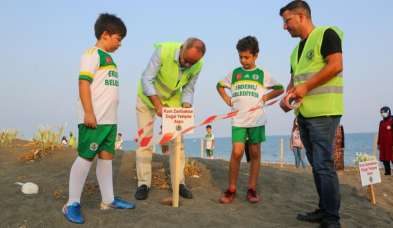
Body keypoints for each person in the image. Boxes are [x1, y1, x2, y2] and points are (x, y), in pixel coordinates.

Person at [62, 13, 134, 224]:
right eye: (118, 38)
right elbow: (83, 83)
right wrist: (88, 112)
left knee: (106, 158)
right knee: (86, 157)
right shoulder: (92, 54)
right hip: (95, 118)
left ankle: (108, 200)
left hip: (109, 120)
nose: (120, 44)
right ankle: (72, 203)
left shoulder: (110, 58)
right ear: (105, 34)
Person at [279, 1, 344, 227]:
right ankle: (324, 209)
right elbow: (295, 81)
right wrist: (287, 98)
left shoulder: (327, 34)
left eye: (287, 21)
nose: (284, 27)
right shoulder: (296, 51)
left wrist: (305, 88)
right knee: (316, 165)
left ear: (301, 16)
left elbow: (336, 65)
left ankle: (332, 219)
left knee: (323, 165)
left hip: (325, 112)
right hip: (304, 114)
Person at [135, 38, 206, 200]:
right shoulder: (163, 51)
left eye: (192, 63)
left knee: (178, 143)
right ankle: (143, 183)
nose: (188, 65)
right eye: (186, 60)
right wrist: (157, 104)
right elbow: (146, 79)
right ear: (182, 48)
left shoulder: (198, 64)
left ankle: (179, 183)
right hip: (147, 98)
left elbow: (189, 88)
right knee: (145, 141)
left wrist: (186, 106)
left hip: (173, 100)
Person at [217, 36, 284, 204]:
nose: (243, 60)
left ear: (256, 56)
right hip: (238, 120)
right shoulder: (235, 73)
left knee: (254, 153)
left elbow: (280, 88)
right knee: (237, 152)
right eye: (240, 56)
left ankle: (251, 188)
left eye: (246, 57)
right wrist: (227, 99)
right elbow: (219, 85)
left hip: (256, 120)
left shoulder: (262, 74)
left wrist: (266, 97)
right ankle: (231, 189)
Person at [378, 106, 393, 176]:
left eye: (384, 112)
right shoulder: (381, 122)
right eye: (381, 112)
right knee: (385, 158)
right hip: (383, 145)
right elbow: (380, 134)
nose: (383, 114)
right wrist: (378, 144)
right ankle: (387, 172)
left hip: (392, 145)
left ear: (388, 112)